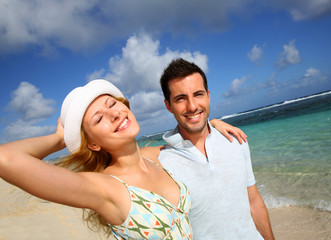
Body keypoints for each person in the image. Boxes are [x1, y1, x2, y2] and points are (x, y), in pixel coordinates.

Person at [0, 79, 244, 239]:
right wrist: (60, 139)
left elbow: (190, 140)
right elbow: (5, 158)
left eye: (112, 104)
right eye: (98, 119)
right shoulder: (104, 188)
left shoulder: (155, 156)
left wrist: (211, 124)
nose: (114, 114)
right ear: (93, 143)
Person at [142, 58, 274, 239]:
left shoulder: (235, 139)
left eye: (198, 94)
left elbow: (254, 201)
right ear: (168, 106)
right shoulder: (161, 163)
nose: (192, 106)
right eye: (180, 98)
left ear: (208, 95)